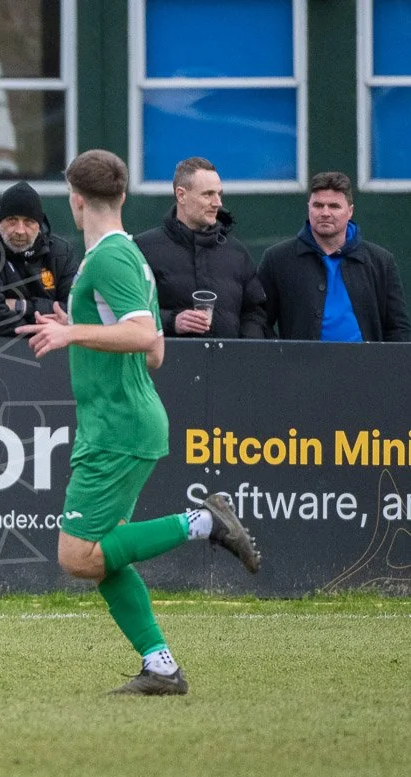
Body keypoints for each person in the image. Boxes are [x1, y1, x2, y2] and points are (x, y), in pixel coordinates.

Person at [15, 149, 261, 696]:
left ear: (75, 200)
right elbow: (154, 353)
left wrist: (71, 333)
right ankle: (161, 666)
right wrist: (79, 322)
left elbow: (146, 335)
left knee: (77, 556)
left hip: (119, 425)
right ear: (123, 195)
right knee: (104, 555)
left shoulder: (110, 258)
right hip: (120, 420)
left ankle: (204, 523)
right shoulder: (125, 255)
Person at [257, 171, 411, 342]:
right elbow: (258, 320)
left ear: (350, 211)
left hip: (366, 359)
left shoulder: (381, 261)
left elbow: (398, 328)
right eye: (318, 205)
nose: (325, 212)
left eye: (334, 206)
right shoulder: (277, 260)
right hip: (302, 360)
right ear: (308, 207)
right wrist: (281, 353)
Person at [135, 157, 267, 339]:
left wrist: (244, 348)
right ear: (181, 195)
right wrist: (172, 322)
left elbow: (255, 312)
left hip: (229, 357)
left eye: (219, 194)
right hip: (169, 357)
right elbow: (129, 311)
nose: (218, 203)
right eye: (208, 194)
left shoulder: (237, 252)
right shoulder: (144, 248)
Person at [0, 181, 79, 335]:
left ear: (39, 226)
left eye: (28, 222)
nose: (20, 230)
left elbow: (74, 311)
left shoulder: (61, 252)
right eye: (12, 221)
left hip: (51, 348)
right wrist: (49, 331)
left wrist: (22, 306)